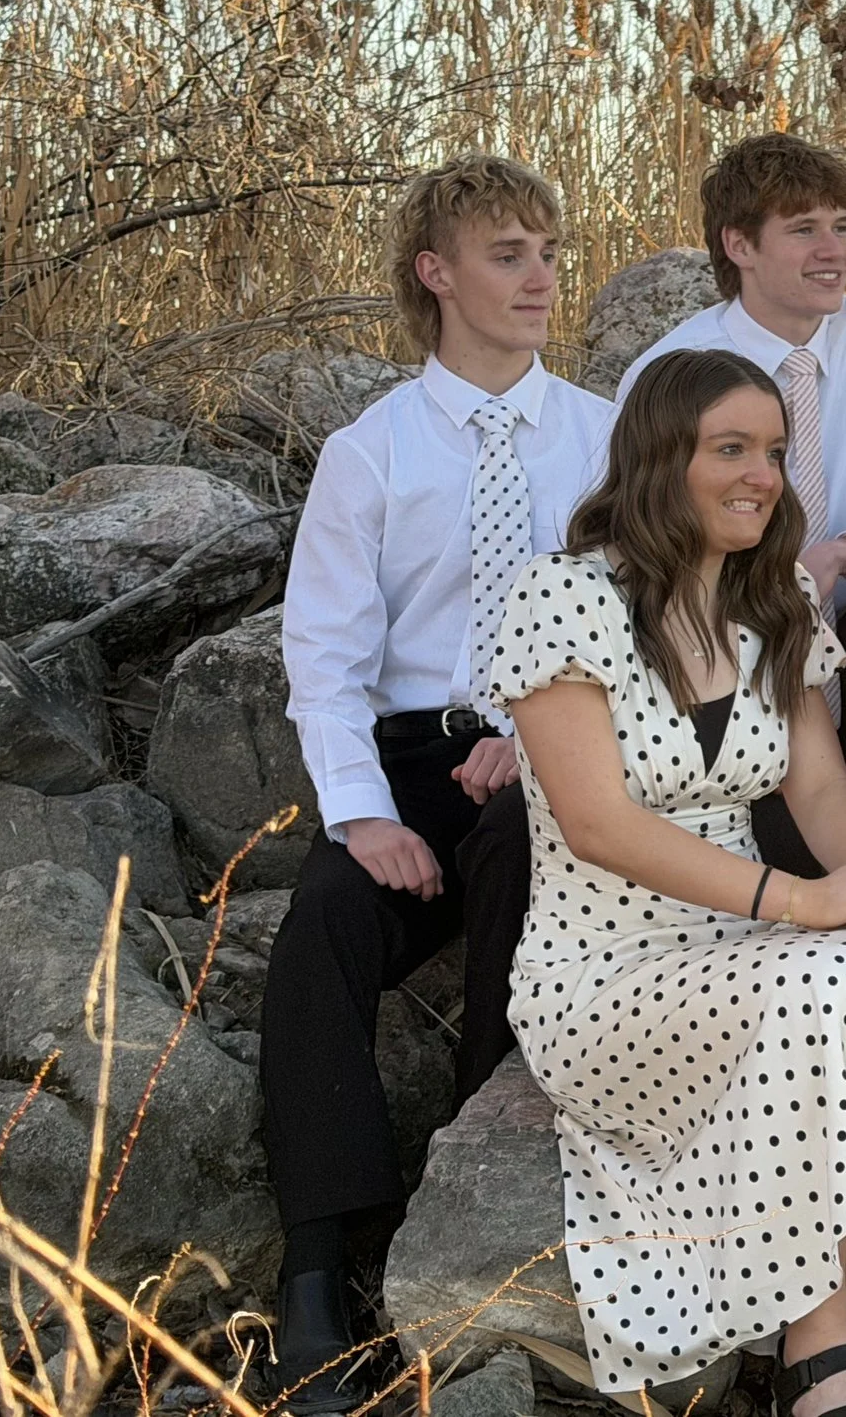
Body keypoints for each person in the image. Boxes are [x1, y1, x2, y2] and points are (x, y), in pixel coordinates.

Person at [490, 349, 846, 1409]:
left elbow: (818, 790)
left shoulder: (768, 601)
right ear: (657, 460)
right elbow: (598, 824)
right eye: (730, 449)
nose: (760, 475)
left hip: (738, 944)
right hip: (602, 972)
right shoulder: (564, 597)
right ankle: (807, 1355)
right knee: (812, 984)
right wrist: (804, 903)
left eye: (772, 452)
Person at [265, 155, 616, 1410]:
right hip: (411, 754)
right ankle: (319, 1269)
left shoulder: (601, 433)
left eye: (546, 252)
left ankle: (465, 1195)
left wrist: (548, 725)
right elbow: (324, 656)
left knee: (528, 841)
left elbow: (640, 606)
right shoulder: (374, 452)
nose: (538, 277)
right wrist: (360, 816)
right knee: (321, 927)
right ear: (437, 273)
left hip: (563, 743)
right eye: (507, 254)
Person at [619, 133, 846, 867]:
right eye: (804, 229)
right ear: (739, 244)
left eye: (842, 226)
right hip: (724, 641)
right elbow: (636, 546)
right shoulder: (672, 370)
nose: (833, 249)